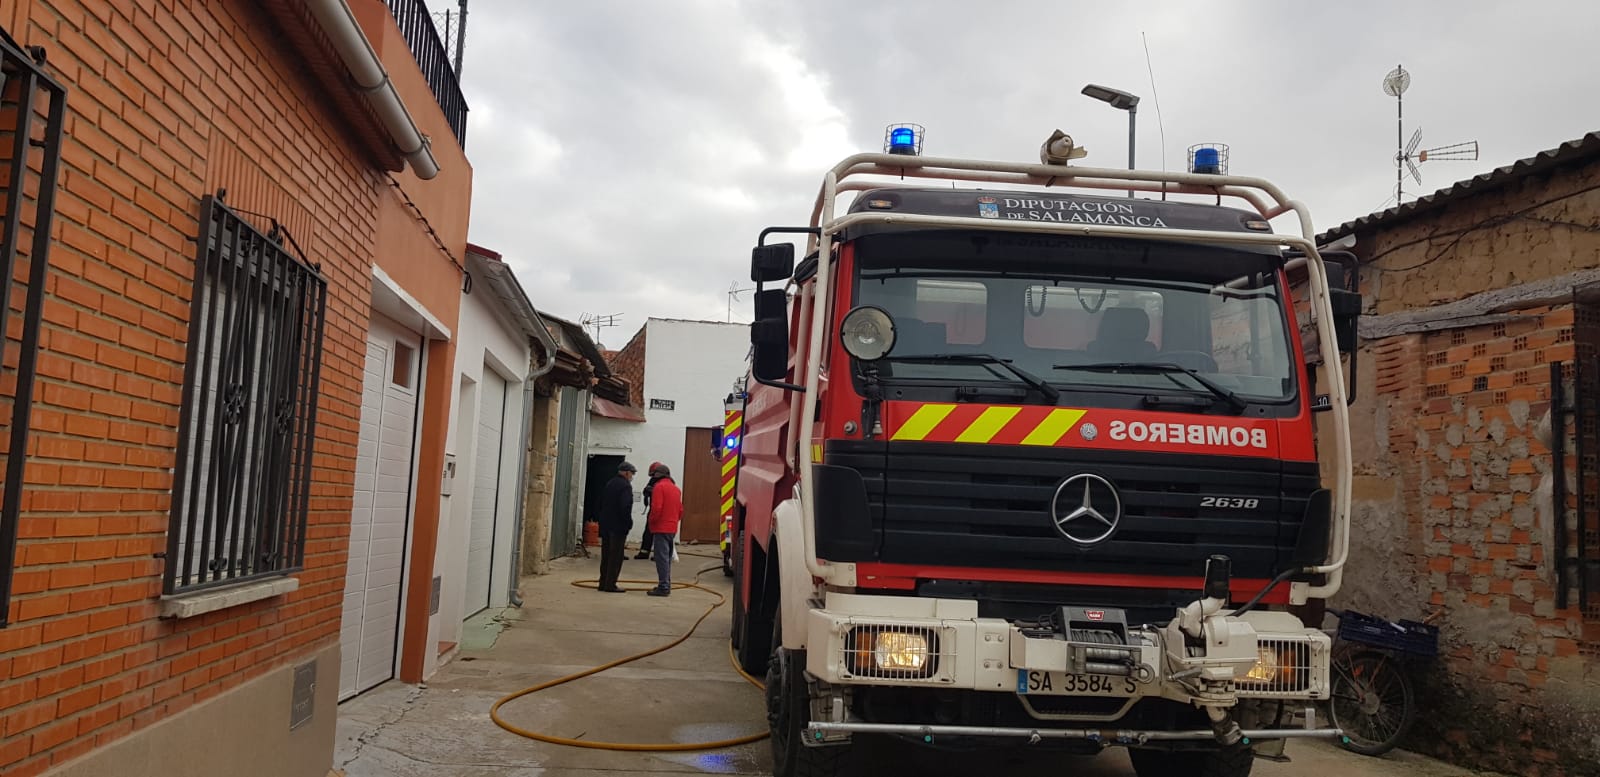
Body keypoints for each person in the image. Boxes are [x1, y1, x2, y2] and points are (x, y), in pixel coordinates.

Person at [596, 461, 637, 593]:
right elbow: (625, 506)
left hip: (606, 524)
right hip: (618, 526)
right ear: (626, 473)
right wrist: (628, 523)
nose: (632, 476)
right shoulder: (625, 486)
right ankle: (611, 584)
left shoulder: (610, 483)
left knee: (606, 555)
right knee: (616, 556)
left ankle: (603, 582)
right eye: (632, 473)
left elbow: (601, 502)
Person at [644, 463, 683, 597]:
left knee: (661, 558)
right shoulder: (676, 489)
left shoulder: (659, 487)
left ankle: (663, 586)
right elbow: (680, 510)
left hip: (661, 527)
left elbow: (656, 508)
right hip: (672, 528)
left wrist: (651, 522)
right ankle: (666, 584)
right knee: (667, 558)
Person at [634, 461, 666, 560]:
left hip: (662, 511)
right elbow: (646, 491)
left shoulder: (665, 482)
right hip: (653, 509)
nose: (652, 477)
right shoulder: (653, 480)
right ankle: (644, 552)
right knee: (648, 531)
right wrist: (648, 491)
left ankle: (659, 554)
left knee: (660, 534)